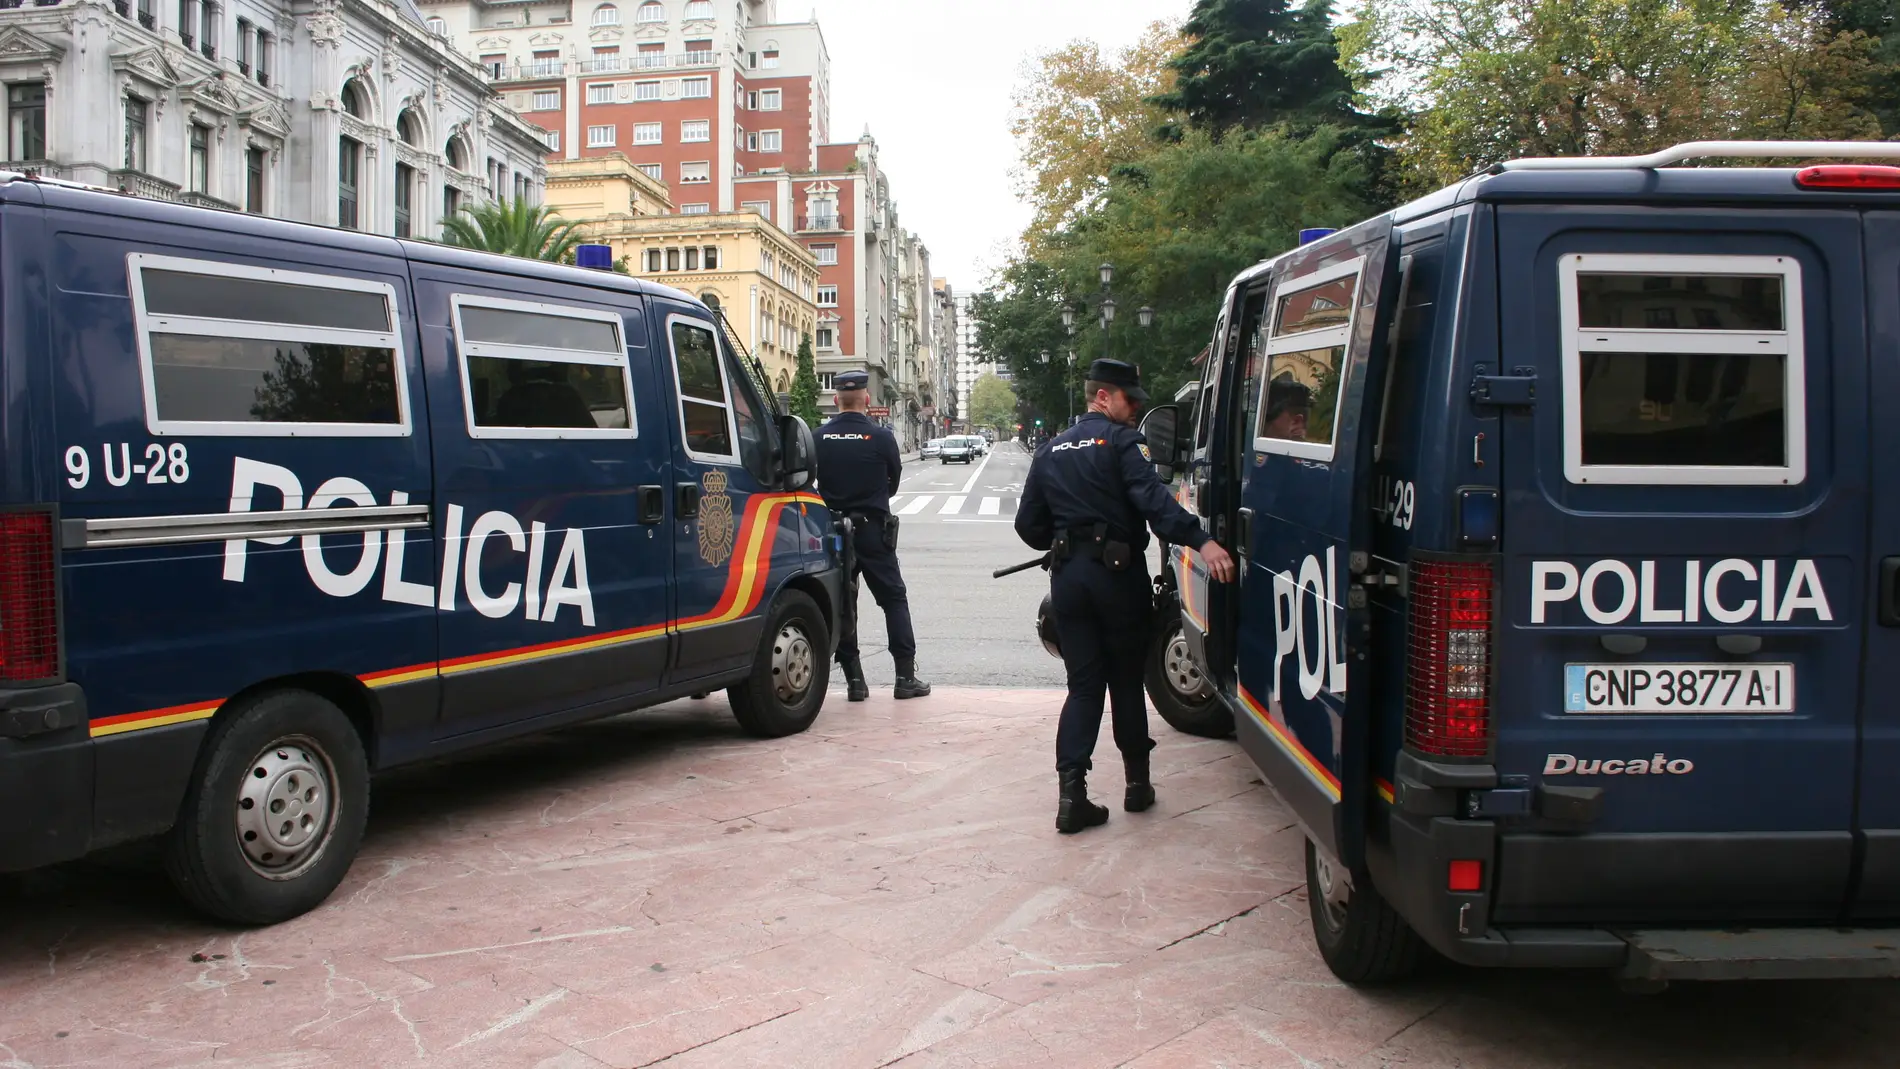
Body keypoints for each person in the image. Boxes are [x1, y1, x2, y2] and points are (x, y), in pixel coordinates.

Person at [1015, 359, 1237, 834]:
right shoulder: (1121, 442)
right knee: (1125, 681)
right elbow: (1154, 503)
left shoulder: (1051, 450)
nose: (1135, 408)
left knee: (1084, 686)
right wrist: (1203, 541)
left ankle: (1072, 796)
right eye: (1128, 399)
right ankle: (1137, 786)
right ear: (1103, 397)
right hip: (1116, 579)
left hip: (1069, 581)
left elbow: (1027, 527)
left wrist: (1065, 532)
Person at [814, 370, 932, 702]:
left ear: (836, 399)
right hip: (872, 532)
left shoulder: (817, 437)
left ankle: (855, 681)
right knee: (893, 600)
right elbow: (893, 482)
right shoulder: (880, 438)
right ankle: (905, 678)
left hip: (835, 533)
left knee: (843, 605)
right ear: (867, 399)